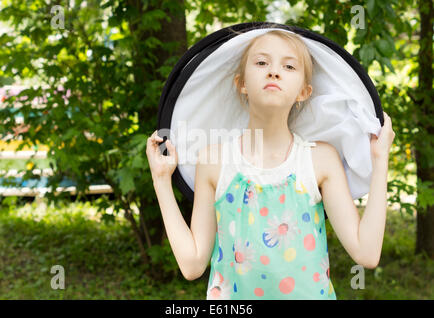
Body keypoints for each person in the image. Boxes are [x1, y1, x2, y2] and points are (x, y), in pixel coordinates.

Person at [146, 30, 395, 299]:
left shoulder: (320, 160)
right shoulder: (214, 161)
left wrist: (380, 161)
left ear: (304, 91)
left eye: (288, 66)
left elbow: (367, 253)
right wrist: (161, 180)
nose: (274, 72)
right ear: (241, 83)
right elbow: (192, 264)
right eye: (262, 62)